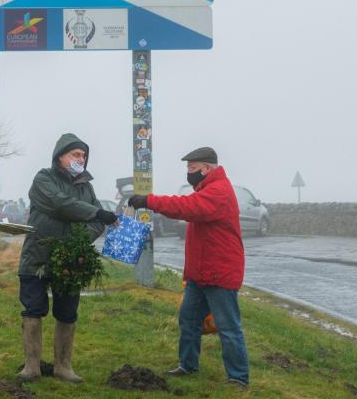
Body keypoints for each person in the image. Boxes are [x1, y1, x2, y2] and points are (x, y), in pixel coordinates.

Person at [128, 147, 249, 388]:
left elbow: (187, 207)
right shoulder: (207, 189)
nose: (188, 173)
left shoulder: (218, 192)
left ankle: (238, 378)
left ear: (206, 168)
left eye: (192, 168)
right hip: (200, 274)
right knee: (189, 319)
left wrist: (149, 201)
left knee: (228, 327)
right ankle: (188, 365)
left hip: (219, 273)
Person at [17, 133, 118, 383]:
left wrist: (78, 240)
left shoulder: (86, 186)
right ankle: (32, 366)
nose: (80, 159)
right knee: (33, 308)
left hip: (70, 261)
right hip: (37, 256)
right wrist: (96, 212)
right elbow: (59, 204)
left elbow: (96, 224)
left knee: (67, 312)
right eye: (75, 154)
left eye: (83, 155)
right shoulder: (43, 179)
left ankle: (63, 366)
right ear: (60, 156)